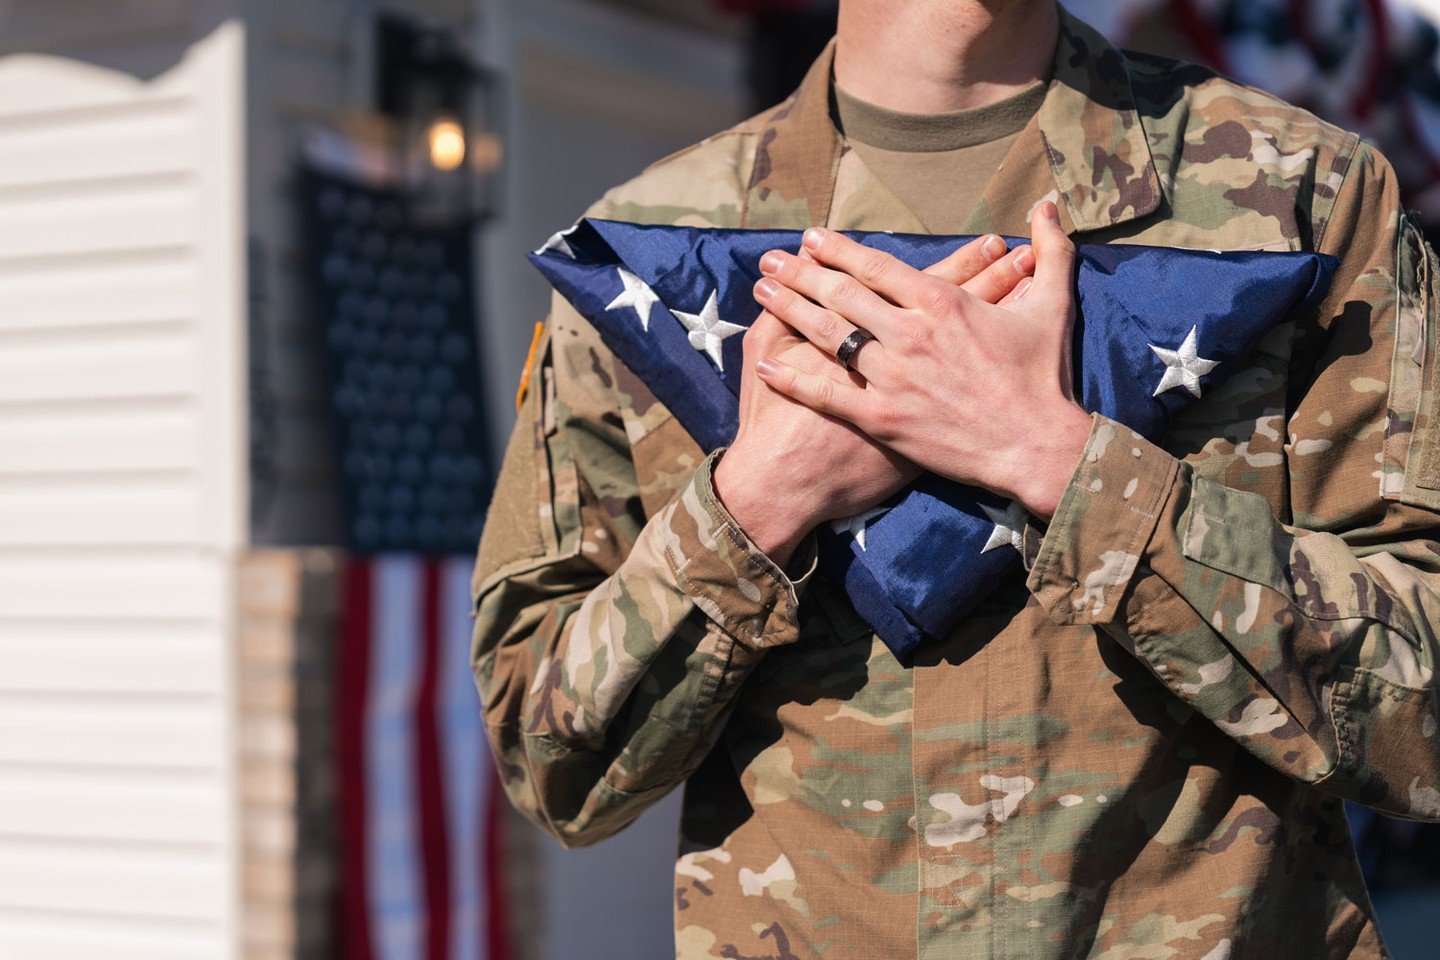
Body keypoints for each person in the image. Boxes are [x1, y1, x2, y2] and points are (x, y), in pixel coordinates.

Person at [470, 1, 1440, 956]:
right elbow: (548, 756)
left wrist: (1061, 464)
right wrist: (757, 503)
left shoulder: (1299, 201)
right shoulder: (654, 250)